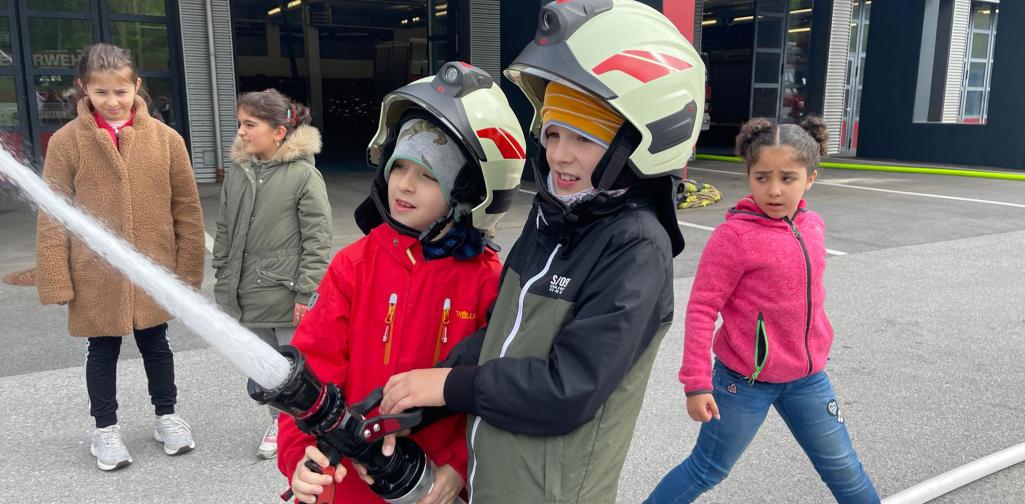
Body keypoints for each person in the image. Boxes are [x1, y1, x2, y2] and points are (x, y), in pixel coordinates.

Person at [374, 2, 706, 502]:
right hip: (496, 481)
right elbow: (502, 335)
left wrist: (451, 387)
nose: (559, 155)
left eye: (583, 138)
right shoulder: (555, 213)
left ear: (639, 143)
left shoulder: (636, 245)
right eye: (552, 133)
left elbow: (567, 388)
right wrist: (416, 400)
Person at [278, 61, 526, 504]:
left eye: (430, 175)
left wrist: (460, 469)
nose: (405, 186)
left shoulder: (488, 283)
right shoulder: (354, 266)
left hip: (429, 487)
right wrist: (301, 458)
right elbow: (311, 371)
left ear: (469, 193)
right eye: (399, 167)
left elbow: (497, 398)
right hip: (345, 488)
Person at [645, 117, 880, 503]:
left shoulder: (813, 226)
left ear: (810, 178)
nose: (773, 190)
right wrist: (697, 382)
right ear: (749, 176)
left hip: (808, 378)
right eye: (761, 177)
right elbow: (702, 309)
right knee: (706, 469)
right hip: (743, 383)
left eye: (787, 178)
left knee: (845, 469)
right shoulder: (733, 237)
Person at [35, 43, 204, 471]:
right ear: (83, 89)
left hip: (154, 267)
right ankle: (104, 430)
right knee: (102, 348)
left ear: (137, 87)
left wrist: (187, 270)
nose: (112, 102)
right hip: (95, 272)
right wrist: (57, 274)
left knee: (157, 344)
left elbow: (186, 206)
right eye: (101, 92)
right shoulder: (66, 142)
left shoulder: (166, 140)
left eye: (121, 91)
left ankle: (166, 417)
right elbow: (53, 211)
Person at [212, 88, 333, 459]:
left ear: (278, 132)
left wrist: (305, 291)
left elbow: (318, 239)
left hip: (285, 293)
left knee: (297, 369)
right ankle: (278, 423)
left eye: (250, 124)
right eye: (239, 124)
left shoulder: (303, 176)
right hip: (247, 292)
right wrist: (222, 275)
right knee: (264, 367)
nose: (242, 132)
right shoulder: (238, 173)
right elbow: (225, 229)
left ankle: (312, 429)